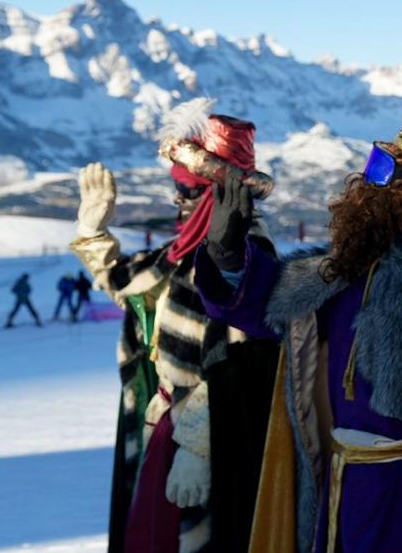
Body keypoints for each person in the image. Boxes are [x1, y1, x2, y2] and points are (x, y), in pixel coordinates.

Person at [193, 124, 402, 553]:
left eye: (380, 168)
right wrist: (228, 254)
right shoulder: (345, 269)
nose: (363, 182)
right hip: (338, 489)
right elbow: (266, 304)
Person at [72, 102, 280, 553]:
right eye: (177, 188)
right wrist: (93, 234)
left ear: (217, 193)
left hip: (207, 434)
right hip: (166, 424)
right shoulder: (185, 248)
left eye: (189, 190)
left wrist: (198, 447)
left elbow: (241, 360)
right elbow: (134, 289)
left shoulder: (245, 257)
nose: (178, 200)